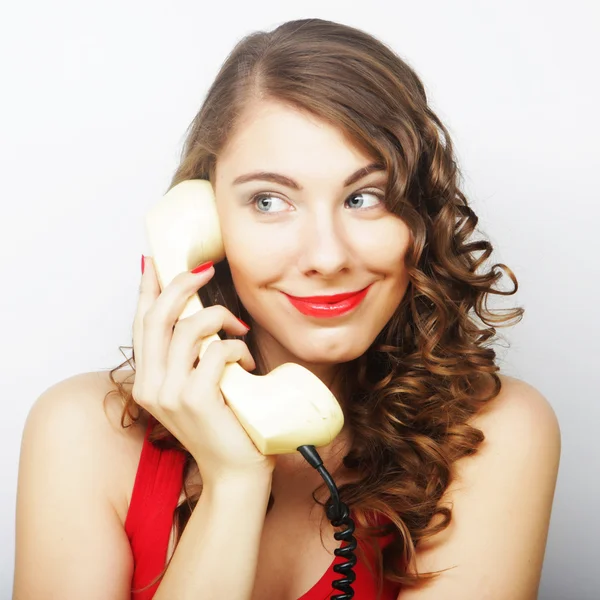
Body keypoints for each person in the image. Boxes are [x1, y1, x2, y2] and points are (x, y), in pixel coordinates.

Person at [13, 17, 561, 600]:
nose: (326, 256)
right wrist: (234, 483)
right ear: (204, 221)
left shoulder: (496, 432)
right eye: (269, 201)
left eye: (365, 197)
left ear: (419, 214)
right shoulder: (79, 433)